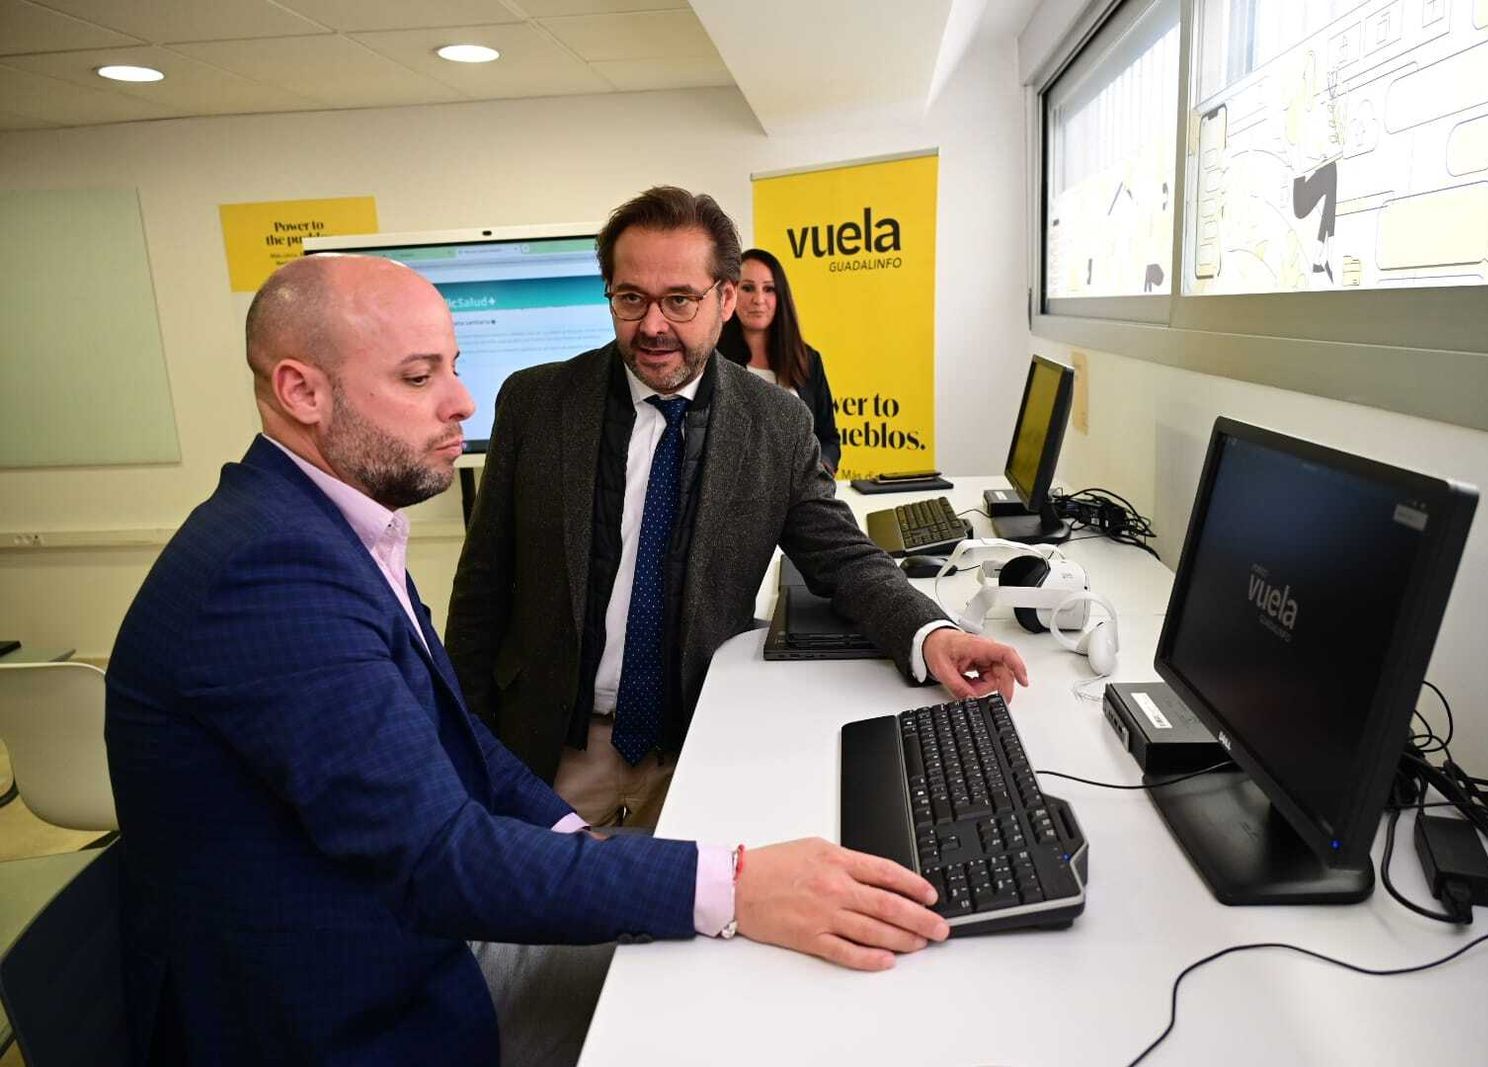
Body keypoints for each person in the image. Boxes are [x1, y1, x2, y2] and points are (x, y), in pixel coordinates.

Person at [104, 254, 951, 1067]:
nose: (461, 402)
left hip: (413, 944)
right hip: (360, 1015)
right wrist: (736, 884)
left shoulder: (328, 527)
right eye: (417, 376)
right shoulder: (269, 575)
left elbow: (453, 739)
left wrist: (579, 841)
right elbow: (442, 857)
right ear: (301, 391)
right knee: (741, 1000)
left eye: (454, 368)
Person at [447, 186, 1026, 830]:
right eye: (630, 298)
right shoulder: (538, 403)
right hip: (552, 754)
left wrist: (933, 633)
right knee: (536, 929)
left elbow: (838, 554)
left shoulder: (776, 421)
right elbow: (481, 588)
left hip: (700, 745)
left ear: (725, 299)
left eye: (679, 299)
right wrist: (469, 745)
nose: (653, 325)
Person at [718, 247, 842, 473]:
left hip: (802, 496)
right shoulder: (713, 362)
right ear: (730, 295)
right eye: (747, 288)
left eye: (769, 289)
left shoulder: (808, 359)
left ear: (780, 296)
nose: (758, 299)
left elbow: (829, 439)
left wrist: (821, 469)